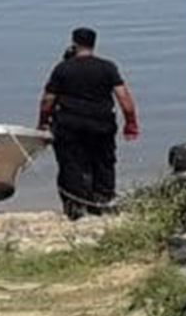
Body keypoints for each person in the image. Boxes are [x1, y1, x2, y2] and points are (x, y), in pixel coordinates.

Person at [37, 27, 140, 220]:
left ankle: (76, 208)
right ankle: (104, 202)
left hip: (70, 125)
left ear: (74, 43)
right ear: (94, 44)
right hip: (101, 125)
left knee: (71, 165)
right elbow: (123, 96)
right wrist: (131, 122)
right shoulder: (108, 67)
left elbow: (47, 100)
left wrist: (43, 122)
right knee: (103, 163)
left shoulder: (62, 68)